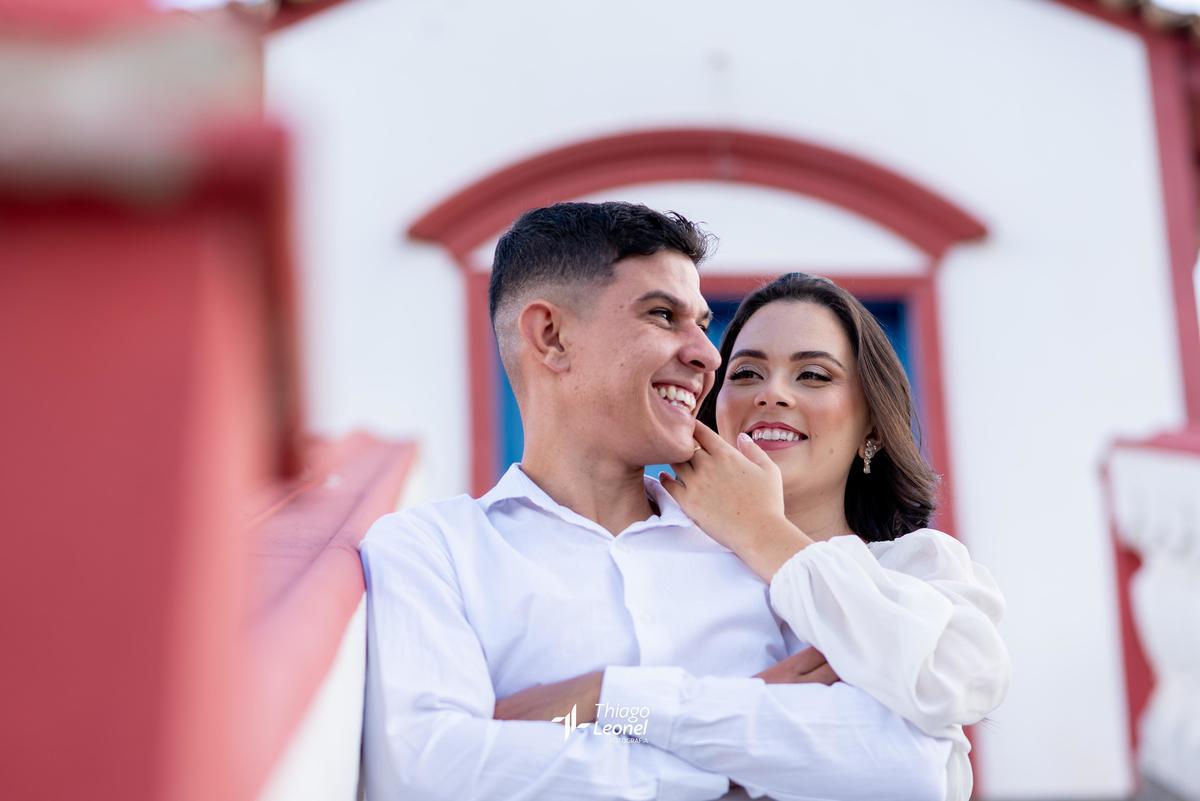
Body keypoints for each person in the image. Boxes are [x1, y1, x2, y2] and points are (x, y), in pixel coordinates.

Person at [359, 202, 954, 801]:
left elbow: (904, 766)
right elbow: (433, 773)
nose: (708, 355)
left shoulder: (765, 550)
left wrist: (605, 702)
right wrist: (742, 747)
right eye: (665, 315)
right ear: (552, 336)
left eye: (701, 323)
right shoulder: (432, 551)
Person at [657, 272, 1012, 801]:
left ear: (871, 423)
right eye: (748, 372)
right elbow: (577, 724)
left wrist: (761, 532)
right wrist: (735, 709)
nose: (772, 394)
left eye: (814, 376)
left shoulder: (918, 570)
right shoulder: (653, 560)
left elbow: (956, 684)